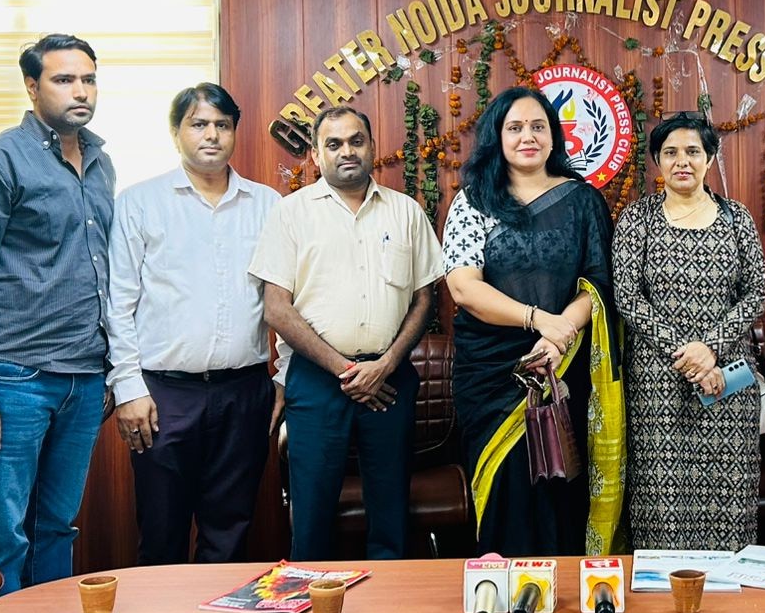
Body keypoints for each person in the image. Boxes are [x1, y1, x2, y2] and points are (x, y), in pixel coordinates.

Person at [0, 34, 114, 593]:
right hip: (15, 379)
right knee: (1, 537)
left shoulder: (101, 163)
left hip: (84, 378)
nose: (80, 91)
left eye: (88, 79)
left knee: (56, 528)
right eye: (64, 80)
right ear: (32, 87)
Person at [247, 105, 441, 560]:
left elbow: (425, 299)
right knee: (311, 515)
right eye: (333, 144)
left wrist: (384, 366)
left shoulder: (406, 212)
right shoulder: (290, 214)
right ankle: (312, 601)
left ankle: (386, 603)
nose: (347, 151)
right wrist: (347, 371)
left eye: (356, 141)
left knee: (391, 513)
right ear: (316, 155)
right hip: (317, 380)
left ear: (372, 146)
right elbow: (276, 309)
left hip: (389, 378)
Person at [442, 86, 623, 557]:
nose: (528, 137)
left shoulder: (582, 200)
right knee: (505, 487)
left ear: (554, 136)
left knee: (561, 484)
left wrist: (559, 337)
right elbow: (463, 288)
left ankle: (564, 591)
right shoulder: (475, 200)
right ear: (496, 137)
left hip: (563, 367)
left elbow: (598, 283)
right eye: (516, 127)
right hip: (492, 374)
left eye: (538, 126)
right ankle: (503, 588)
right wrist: (538, 320)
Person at [106, 83, 279, 565]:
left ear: (235, 132)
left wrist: (283, 377)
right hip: (163, 396)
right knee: (161, 533)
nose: (211, 135)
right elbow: (118, 303)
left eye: (222, 125)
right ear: (175, 132)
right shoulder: (139, 202)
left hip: (244, 392)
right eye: (198, 124)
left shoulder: (268, 204)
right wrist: (128, 389)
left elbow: (285, 299)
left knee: (230, 533)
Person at [612, 113, 765, 551]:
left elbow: (756, 293)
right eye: (671, 152)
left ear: (710, 157)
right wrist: (689, 354)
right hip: (658, 386)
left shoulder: (736, 218)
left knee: (728, 499)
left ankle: (728, 590)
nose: (682, 161)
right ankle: (662, 591)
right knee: (662, 501)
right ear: (657, 161)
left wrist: (711, 350)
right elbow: (627, 297)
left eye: (693, 151)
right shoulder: (637, 219)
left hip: (727, 381)